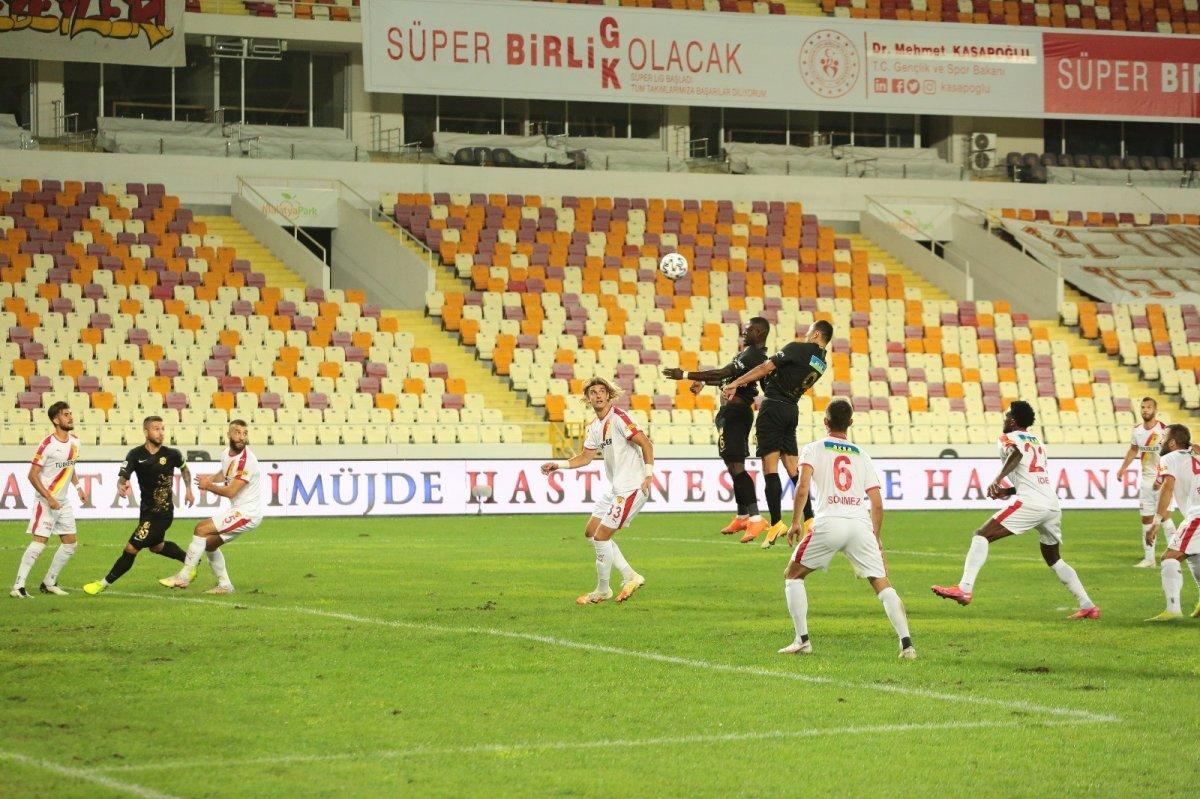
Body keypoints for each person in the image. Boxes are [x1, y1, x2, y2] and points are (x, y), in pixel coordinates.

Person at [931, 400, 1100, 620]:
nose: (1004, 418)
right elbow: (1030, 476)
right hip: (1051, 504)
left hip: (1031, 503)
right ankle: (1088, 605)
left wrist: (998, 479)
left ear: (1013, 420)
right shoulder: (1038, 442)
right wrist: (1007, 491)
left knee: (981, 535)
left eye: (1007, 415)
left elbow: (1017, 454)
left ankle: (964, 588)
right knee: (1054, 558)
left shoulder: (1008, 438)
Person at [778, 399, 915, 659]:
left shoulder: (813, 449)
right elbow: (876, 502)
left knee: (793, 575)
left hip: (829, 522)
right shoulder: (861, 455)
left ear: (825, 422)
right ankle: (907, 644)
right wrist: (877, 537)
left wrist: (796, 522)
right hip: (860, 525)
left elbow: (803, 487)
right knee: (882, 583)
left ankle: (802, 640)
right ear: (850, 423)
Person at [541, 377, 651, 605]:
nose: (598, 395)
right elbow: (585, 457)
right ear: (588, 398)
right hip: (615, 488)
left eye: (602, 391)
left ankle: (603, 589)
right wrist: (558, 465)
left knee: (601, 536)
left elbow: (646, 444)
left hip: (633, 487)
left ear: (609, 395)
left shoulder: (620, 418)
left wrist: (648, 474)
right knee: (591, 532)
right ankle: (631, 575)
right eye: (593, 392)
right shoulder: (594, 427)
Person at [721, 320, 831, 546]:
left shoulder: (797, 348)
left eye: (809, 330)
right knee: (792, 467)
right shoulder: (822, 362)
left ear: (816, 333)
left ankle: (777, 522)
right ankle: (810, 519)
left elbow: (764, 368)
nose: (806, 334)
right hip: (792, 409)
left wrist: (736, 383)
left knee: (769, 467)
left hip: (773, 408)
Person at [663, 317, 770, 540]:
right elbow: (727, 378)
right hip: (728, 414)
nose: (744, 331)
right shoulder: (747, 354)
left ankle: (756, 518)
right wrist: (704, 382)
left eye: (748, 329)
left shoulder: (753, 356)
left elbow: (723, 373)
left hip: (737, 414)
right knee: (731, 465)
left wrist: (685, 375)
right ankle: (742, 517)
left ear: (759, 333)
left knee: (738, 466)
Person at [83, 416, 196, 596]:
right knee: (156, 546)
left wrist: (189, 489)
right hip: (146, 511)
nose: (161, 433)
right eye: (156, 429)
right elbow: (123, 476)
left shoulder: (172, 454)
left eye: (162, 429)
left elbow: (184, 468)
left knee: (131, 548)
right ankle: (190, 562)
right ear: (146, 432)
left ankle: (103, 583)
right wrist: (121, 484)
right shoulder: (135, 455)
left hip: (162, 513)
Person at [159, 420, 263, 594]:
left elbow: (230, 491)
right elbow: (225, 472)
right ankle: (225, 586)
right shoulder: (226, 454)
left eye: (245, 433)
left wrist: (208, 486)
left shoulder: (247, 461)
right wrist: (211, 478)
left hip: (247, 513)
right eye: (237, 432)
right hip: (239, 510)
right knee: (208, 544)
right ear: (228, 434)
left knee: (201, 529)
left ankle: (184, 575)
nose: (241, 437)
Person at [10, 401, 85, 598]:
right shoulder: (47, 445)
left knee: (70, 543)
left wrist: (78, 488)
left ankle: (49, 582)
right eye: (65, 414)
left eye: (70, 413)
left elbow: (70, 467)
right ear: (55, 419)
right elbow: (32, 475)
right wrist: (49, 497)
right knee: (40, 541)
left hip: (63, 501)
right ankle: (18, 587)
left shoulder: (76, 442)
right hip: (46, 501)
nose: (70, 417)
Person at [1145, 423, 1200, 621]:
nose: (1160, 441)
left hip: (1197, 516)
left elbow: (1167, 488)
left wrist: (1156, 521)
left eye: (1164, 438)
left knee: (1169, 558)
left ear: (1173, 442)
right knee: (1195, 558)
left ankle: (1173, 610)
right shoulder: (1196, 454)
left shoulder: (1169, 458)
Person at [1117, 397, 1171, 567]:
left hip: (1162, 482)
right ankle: (1149, 559)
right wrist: (1123, 468)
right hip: (1146, 481)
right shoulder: (1137, 431)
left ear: (1155, 410)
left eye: (1148, 407)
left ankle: (1175, 553)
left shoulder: (1164, 431)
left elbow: (1171, 456)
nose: (1145, 410)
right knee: (1146, 518)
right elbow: (1134, 449)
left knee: (1164, 518)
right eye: (1142, 407)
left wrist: (1162, 477)